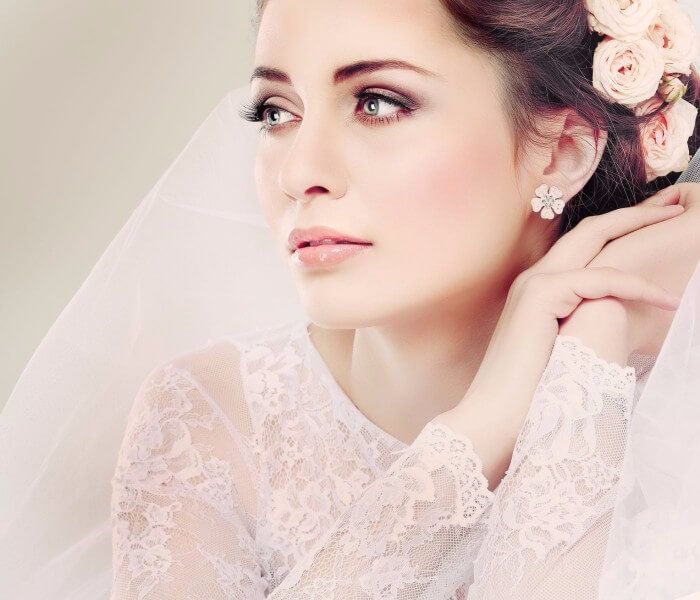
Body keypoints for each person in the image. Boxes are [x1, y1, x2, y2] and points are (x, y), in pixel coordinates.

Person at [2, 0, 700, 599]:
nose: (299, 172)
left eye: (377, 103)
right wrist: (482, 428)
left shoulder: (676, 409)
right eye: (276, 112)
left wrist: (589, 349)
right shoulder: (213, 424)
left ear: (563, 151)